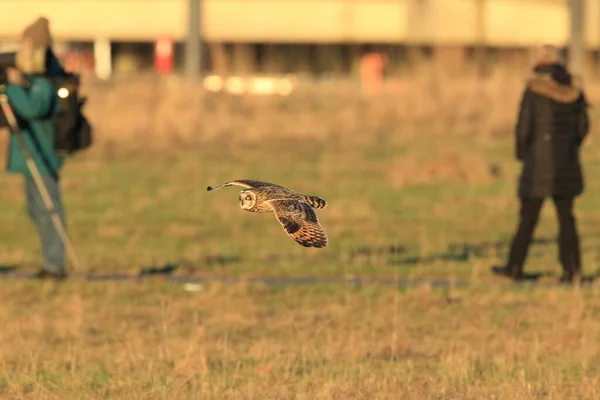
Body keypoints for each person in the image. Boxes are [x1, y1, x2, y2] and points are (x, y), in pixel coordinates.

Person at [492, 44, 590, 284]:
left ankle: (514, 267)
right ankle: (571, 271)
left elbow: (523, 129)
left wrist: (523, 154)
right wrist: (571, 148)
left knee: (528, 218)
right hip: (567, 163)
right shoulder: (574, 91)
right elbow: (583, 128)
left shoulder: (534, 91)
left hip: (538, 165)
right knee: (566, 218)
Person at [4, 17, 68, 280]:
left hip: (42, 156)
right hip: (31, 154)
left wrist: (13, 86)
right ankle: (50, 262)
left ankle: (55, 265)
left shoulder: (45, 80)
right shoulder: (33, 77)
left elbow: (33, 108)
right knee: (36, 208)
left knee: (49, 208)